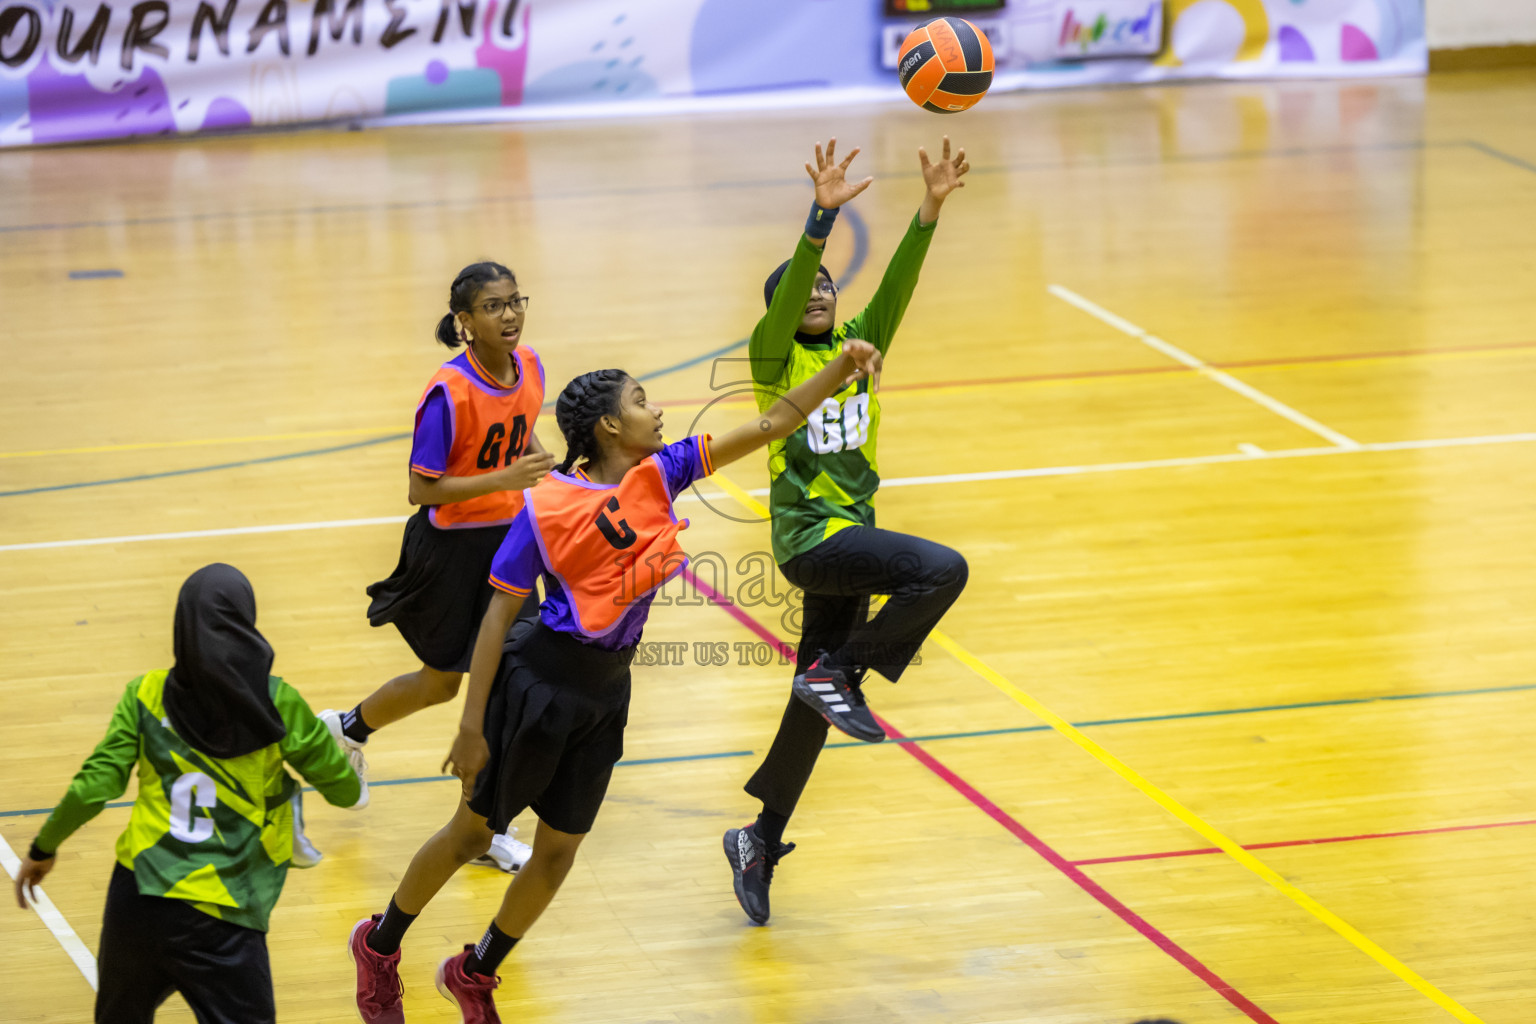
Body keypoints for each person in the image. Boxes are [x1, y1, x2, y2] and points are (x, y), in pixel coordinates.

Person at [347, 342, 883, 1024]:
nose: (656, 412)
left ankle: (473, 971)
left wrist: (840, 371)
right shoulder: (543, 509)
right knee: (471, 837)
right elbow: (494, 622)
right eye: (640, 402)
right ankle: (380, 944)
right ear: (606, 427)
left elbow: (772, 424)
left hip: (605, 691)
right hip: (537, 683)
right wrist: (470, 726)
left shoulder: (664, 471)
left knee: (559, 850)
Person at [724, 138, 972, 924]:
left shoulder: (860, 346)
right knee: (942, 570)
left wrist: (930, 209)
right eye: (806, 289)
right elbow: (796, 280)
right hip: (813, 545)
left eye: (829, 286)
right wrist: (819, 221)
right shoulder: (775, 359)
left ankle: (759, 838)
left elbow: (899, 284)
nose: (819, 293)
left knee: (814, 703)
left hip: (848, 552)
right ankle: (844, 672)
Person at [12, 563, 362, 1024]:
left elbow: (95, 785)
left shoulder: (146, 694)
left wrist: (44, 847)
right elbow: (344, 792)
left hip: (138, 896)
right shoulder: (278, 703)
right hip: (224, 913)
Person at [319, 260, 556, 873]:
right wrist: (504, 477)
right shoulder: (446, 391)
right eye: (494, 306)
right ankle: (346, 728)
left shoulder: (529, 366)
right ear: (465, 322)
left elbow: (519, 428)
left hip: (509, 543)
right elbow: (422, 490)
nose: (510, 315)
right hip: (451, 550)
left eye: (515, 301)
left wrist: (542, 467)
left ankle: (485, 826)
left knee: (508, 683)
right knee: (443, 682)